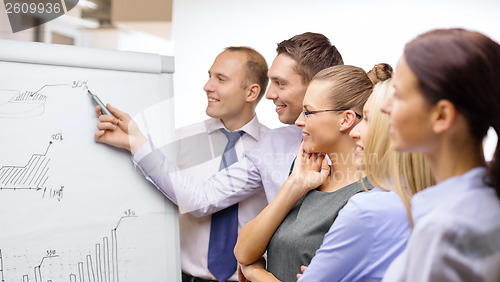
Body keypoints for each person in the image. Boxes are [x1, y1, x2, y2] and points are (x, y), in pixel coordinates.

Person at [237, 66, 435, 282]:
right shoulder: (307, 173)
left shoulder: (374, 197)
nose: (299, 121)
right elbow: (243, 251)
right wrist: (293, 186)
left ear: (346, 119)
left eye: (308, 112)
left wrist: (256, 272)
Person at [94, 32, 344, 216]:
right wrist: (137, 142)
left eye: (280, 83)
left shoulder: (359, 143)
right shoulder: (273, 146)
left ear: (316, 87)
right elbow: (203, 198)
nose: (269, 94)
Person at [97, 46, 269, 282]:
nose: (207, 86)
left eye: (220, 79)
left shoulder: (275, 149)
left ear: (251, 92)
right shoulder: (177, 141)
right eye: (209, 76)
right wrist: (134, 141)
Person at [377, 28, 500, 282]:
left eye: (397, 94)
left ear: (442, 115)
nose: (385, 106)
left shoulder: (445, 230)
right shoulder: (484, 207)